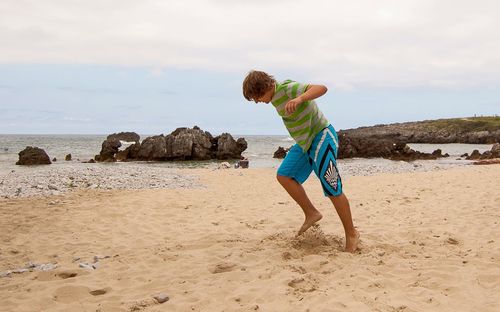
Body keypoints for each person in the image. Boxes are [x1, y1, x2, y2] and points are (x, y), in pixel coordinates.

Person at [242, 70, 359, 253]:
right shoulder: (273, 98)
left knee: (331, 185)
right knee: (284, 175)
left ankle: (352, 233)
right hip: (305, 143)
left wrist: (300, 99)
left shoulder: (288, 89)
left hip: (322, 136)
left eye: (256, 97)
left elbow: (321, 88)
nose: (257, 101)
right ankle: (311, 213)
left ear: (264, 87)